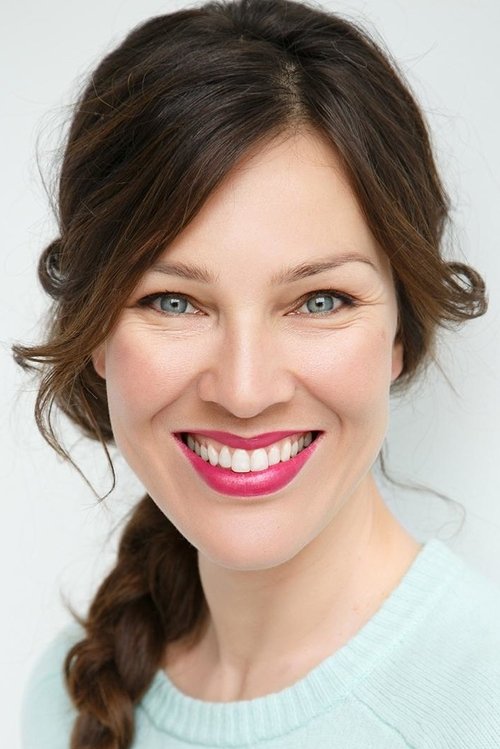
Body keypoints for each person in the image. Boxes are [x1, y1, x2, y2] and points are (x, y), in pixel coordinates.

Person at [15, 0, 500, 747]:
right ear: (96, 333)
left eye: (319, 300)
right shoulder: (64, 695)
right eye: (174, 301)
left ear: (399, 331)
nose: (244, 391)